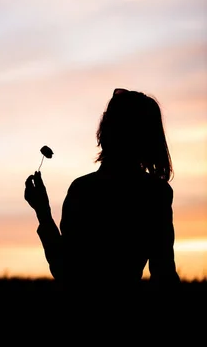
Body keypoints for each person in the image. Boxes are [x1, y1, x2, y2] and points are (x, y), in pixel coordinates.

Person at [24, 88, 180, 297]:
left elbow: (65, 271)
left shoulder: (82, 190)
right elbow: (164, 275)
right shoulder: (155, 193)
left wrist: (43, 213)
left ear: (106, 131)